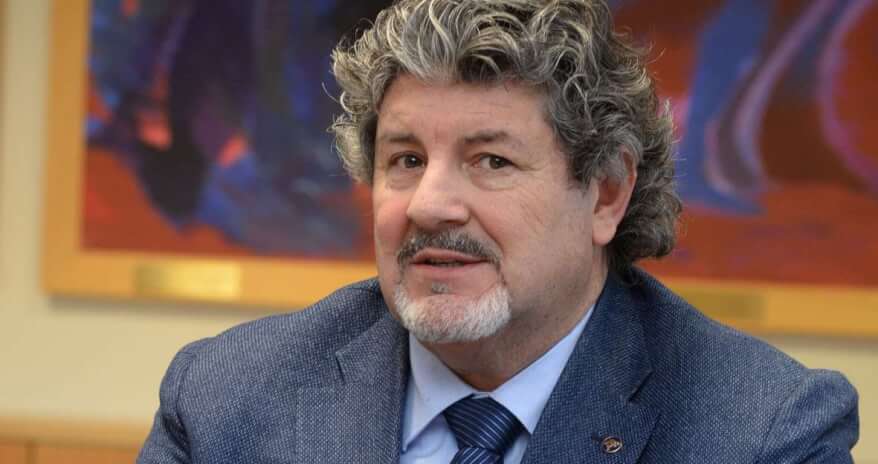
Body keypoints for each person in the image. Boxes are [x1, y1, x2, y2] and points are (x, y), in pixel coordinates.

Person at [137, 0, 859, 462]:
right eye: (406, 160)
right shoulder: (227, 400)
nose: (430, 205)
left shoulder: (765, 431)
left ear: (607, 191)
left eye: (491, 161)